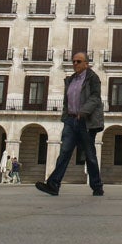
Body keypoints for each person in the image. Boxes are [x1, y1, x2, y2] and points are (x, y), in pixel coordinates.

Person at [36, 52, 105, 196]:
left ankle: (97, 186)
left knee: (90, 155)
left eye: (78, 61)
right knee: (64, 153)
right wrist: (66, 116)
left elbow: (95, 97)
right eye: (73, 61)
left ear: (86, 64)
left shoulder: (93, 78)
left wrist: (84, 111)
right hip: (71, 121)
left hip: (85, 122)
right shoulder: (71, 80)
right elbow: (67, 100)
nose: (75, 64)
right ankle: (53, 185)